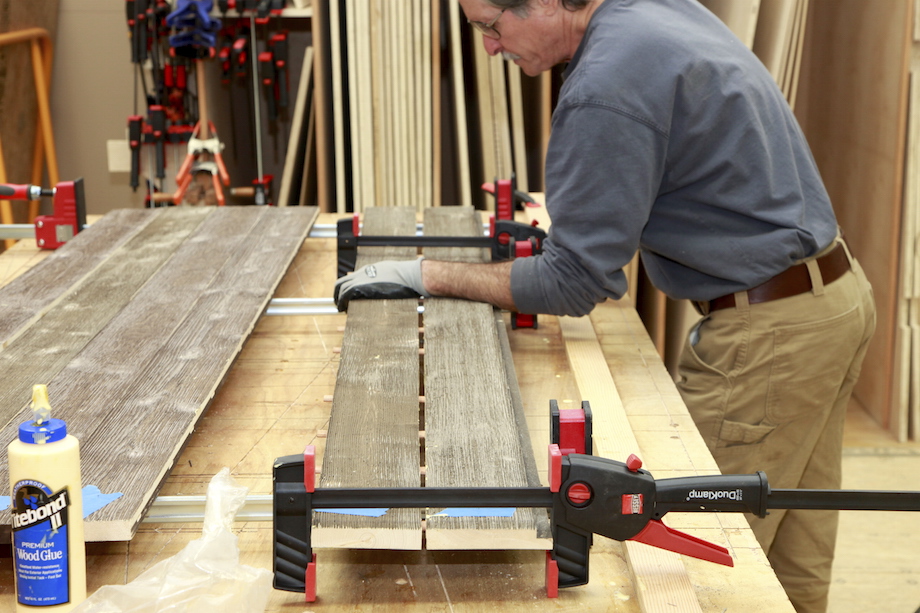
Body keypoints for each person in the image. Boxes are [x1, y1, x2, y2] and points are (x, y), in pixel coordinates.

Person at [333, 1, 876, 611]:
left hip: (773, 339)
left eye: (491, 26)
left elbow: (573, 282)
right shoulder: (647, 12)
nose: (489, 47)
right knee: (786, 570)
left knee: (696, 579)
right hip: (833, 300)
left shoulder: (604, 86)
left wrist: (427, 274)